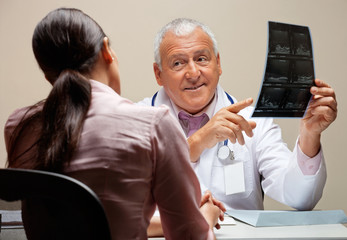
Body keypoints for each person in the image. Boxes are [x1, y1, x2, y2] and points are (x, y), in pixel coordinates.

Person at [4, 9, 222, 240]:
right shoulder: (153, 124)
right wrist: (206, 215)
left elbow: (88, 220)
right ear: (106, 50)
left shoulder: (18, 126)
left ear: (47, 74)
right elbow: (189, 236)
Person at [139, 18, 337, 213]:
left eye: (201, 59)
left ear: (218, 63)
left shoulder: (254, 122)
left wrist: (310, 134)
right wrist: (197, 141)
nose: (193, 73)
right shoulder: (136, 119)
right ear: (158, 74)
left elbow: (299, 197)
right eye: (178, 63)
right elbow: (130, 198)